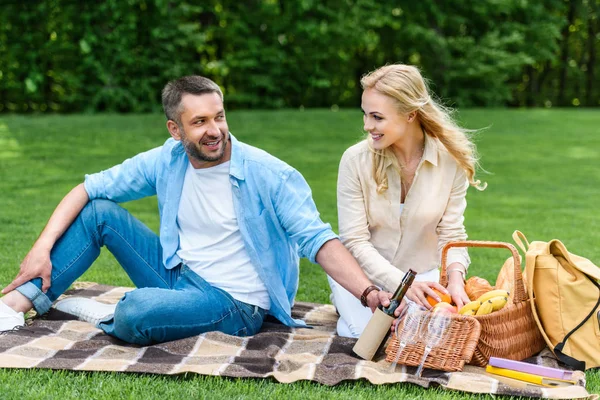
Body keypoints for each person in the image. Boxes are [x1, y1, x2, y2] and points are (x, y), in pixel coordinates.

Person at [0, 75, 395, 345]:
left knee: (136, 311)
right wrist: (41, 247)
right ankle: (13, 306)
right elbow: (87, 188)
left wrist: (368, 291)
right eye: (200, 122)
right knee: (99, 212)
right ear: (175, 130)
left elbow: (318, 239)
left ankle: (107, 315)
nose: (215, 130)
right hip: (178, 273)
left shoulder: (269, 174)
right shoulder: (167, 160)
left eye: (219, 117)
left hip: (235, 303)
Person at [328, 64, 486, 338]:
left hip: (422, 278)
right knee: (367, 335)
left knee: (426, 335)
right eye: (365, 115)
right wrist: (398, 284)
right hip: (363, 280)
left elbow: (452, 233)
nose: (367, 126)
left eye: (377, 117)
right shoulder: (354, 161)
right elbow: (354, 241)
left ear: (411, 114)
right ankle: (353, 311)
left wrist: (456, 281)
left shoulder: (450, 161)